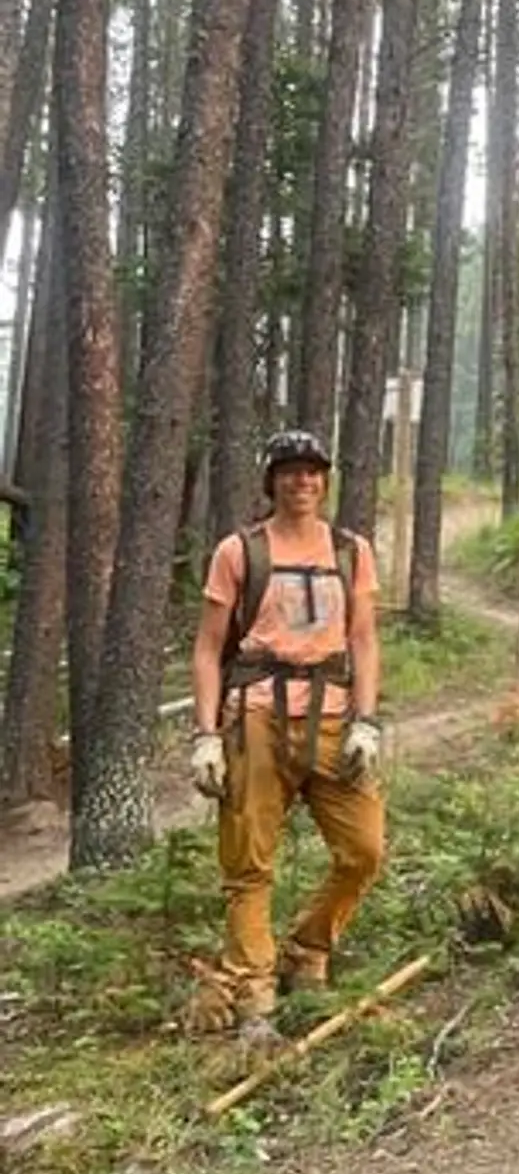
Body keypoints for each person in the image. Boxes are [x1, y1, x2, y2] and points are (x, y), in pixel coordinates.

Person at [186, 429, 385, 1042]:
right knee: (249, 864)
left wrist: (367, 719)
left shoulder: (350, 551)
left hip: (331, 717)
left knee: (364, 850)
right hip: (255, 718)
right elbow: (209, 647)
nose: (302, 482)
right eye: (290, 471)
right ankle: (255, 995)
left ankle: (308, 946)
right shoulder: (238, 552)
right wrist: (206, 733)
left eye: (312, 472)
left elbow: (364, 639)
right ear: (270, 480)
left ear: (325, 480)